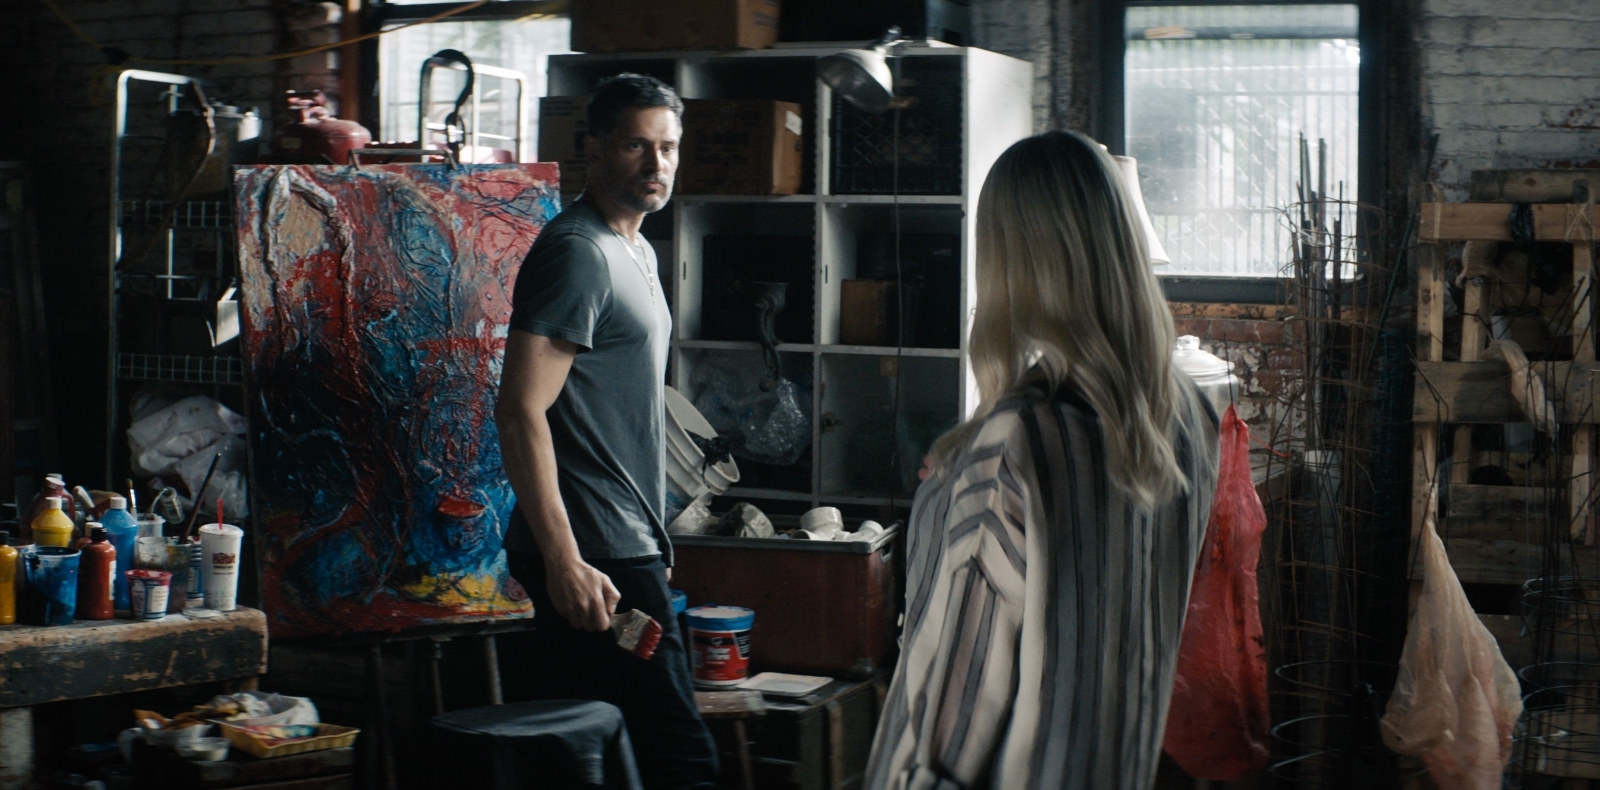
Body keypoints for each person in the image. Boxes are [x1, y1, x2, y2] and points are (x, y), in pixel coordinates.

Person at [863, 131, 1222, 789]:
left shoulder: (1016, 441)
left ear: (1008, 261)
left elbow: (947, 726)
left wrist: (964, 487)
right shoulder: (1191, 416)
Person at [495, 73, 718, 789]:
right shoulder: (579, 253)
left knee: (603, 759)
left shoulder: (636, 250)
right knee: (680, 758)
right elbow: (520, 409)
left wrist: (652, 540)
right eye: (635, 145)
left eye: (668, 148)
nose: (657, 164)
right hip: (593, 555)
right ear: (592, 148)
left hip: (622, 543)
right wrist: (564, 560)